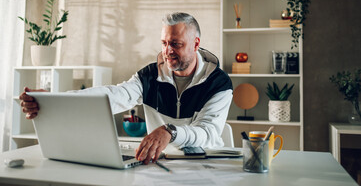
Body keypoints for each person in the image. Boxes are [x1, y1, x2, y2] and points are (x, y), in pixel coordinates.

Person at [19, 12, 233, 165]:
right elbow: (112, 95)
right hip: (159, 163)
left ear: (196, 44)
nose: (167, 51)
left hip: (208, 163)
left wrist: (170, 131)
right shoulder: (149, 76)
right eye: (164, 43)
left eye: (175, 44)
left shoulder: (219, 83)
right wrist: (55, 100)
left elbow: (207, 132)